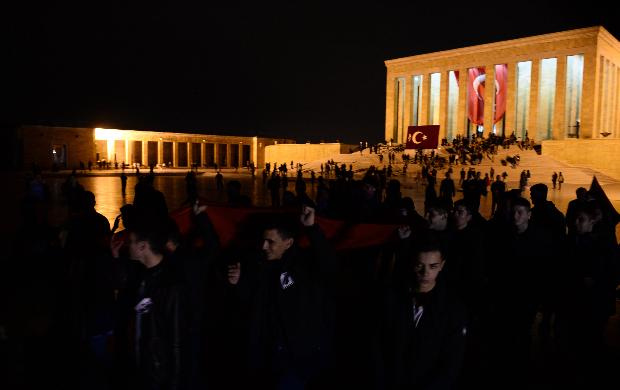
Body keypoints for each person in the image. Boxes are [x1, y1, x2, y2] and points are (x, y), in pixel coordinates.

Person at [227, 206, 337, 388]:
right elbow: (249, 304)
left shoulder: (303, 268)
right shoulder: (257, 266)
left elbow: (329, 266)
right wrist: (237, 284)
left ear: (288, 243)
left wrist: (311, 228)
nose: (264, 246)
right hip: (265, 356)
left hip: (294, 359)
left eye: (271, 242)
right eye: (263, 241)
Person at [377, 237, 467, 389]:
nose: (425, 273)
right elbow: (378, 348)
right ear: (412, 264)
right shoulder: (391, 299)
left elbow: (451, 363)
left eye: (433, 266)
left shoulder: (452, 309)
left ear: (442, 266)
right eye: (420, 265)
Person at [119, 217, 190, 390]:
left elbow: (176, 340)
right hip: (139, 366)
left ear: (143, 246)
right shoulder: (140, 274)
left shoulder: (171, 284)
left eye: (131, 242)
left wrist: (173, 382)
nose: (127, 245)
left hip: (156, 373)